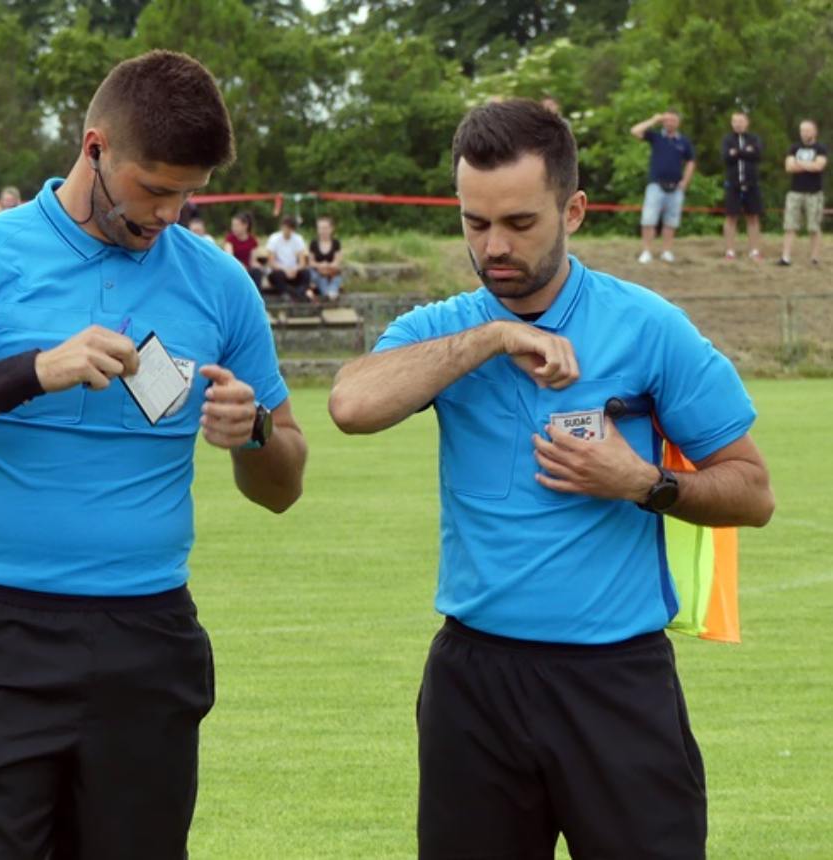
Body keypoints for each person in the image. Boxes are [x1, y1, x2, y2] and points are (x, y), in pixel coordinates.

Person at [0, 50, 307, 859]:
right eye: (153, 189)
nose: (168, 214)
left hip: (150, 641)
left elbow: (283, 486)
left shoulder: (221, 283)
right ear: (94, 148)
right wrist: (29, 372)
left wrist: (256, 432)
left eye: (187, 194)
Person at [329, 98, 774, 860]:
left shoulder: (648, 327)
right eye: (475, 223)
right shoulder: (448, 329)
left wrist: (644, 482)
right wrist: (496, 336)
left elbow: (753, 492)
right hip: (474, 684)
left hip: (616, 683)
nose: (494, 246)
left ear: (573, 210)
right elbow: (351, 405)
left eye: (519, 223)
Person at [630, 110, 695, 263]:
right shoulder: (656, 137)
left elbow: (691, 161)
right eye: (667, 120)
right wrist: (654, 120)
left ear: (678, 122)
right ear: (663, 122)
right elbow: (635, 131)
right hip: (656, 185)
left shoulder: (684, 142)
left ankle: (666, 251)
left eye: (673, 120)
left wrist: (685, 181)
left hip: (676, 187)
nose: (670, 123)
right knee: (648, 219)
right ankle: (646, 251)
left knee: (671, 221)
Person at [778, 119, 827, 266]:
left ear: (814, 132)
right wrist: (809, 165)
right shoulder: (794, 147)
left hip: (814, 193)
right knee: (790, 225)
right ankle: (785, 257)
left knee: (814, 227)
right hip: (795, 192)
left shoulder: (820, 148)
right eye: (802, 130)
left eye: (807, 130)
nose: (804, 133)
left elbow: (819, 166)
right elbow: (789, 167)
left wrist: (799, 163)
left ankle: (814, 258)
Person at [721, 111, 765, 261]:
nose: (738, 124)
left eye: (741, 121)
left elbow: (757, 155)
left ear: (747, 123)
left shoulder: (754, 138)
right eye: (735, 121)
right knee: (730, 217)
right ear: (731, 123)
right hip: (733, 184)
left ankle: (754, 250)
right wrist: (745, 152)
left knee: (753, 217)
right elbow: (726, 157)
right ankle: (729, 251)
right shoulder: (727, 139)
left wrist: (737, 153)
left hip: (752, 184)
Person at [265, 214, 312, 302]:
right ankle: (292, 294)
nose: (287, 230)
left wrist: (295, 269)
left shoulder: (298, 239)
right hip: (279, 271)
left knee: (306, 273)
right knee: (277, 275)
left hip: (293, 271)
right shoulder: (274, 238)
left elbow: (302, 262)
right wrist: (285, 270)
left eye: (289, 228)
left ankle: (298, 293)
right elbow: (271, 262)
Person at [222, 210, 264, 289]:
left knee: (257, 271)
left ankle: (256, 294)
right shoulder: (230, 239)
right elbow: (229, 257)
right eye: (233, 225)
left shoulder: (252, 240)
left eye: (236, 225)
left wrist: (258, 266)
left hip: (247, 270)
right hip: (234, 268)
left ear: (245, 226)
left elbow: (252, 261)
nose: (234, 228)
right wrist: (240, 265)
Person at [308, 215, 344, 300]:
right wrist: (320, 265)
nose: (322, 231)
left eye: (325, 228)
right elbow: (311, 262)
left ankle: (331, 291)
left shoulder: (336, 243)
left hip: (331, 272)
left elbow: (337, 261)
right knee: (315, 275)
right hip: (318, 273)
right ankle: (329, 292)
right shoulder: (313, 243)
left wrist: (327, 266)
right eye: (320, 228)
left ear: (331, 229)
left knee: (337, 276)